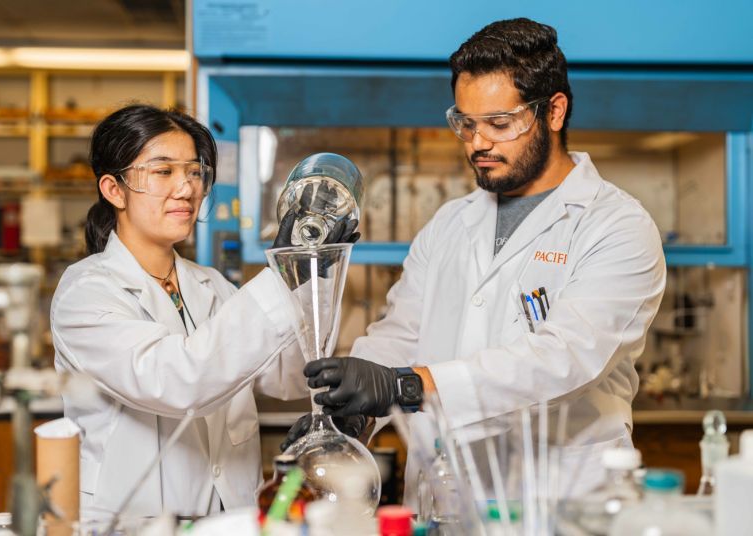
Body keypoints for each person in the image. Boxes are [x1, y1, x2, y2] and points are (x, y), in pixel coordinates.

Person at [284, 18, 666, 502]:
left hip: (560, 503)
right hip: (448, 497)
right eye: (465, 123)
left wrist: (406, 386)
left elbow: (564, 359)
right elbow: (402, 336)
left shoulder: (616, 226)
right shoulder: (450, 223)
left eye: (499, 124)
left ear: (553, 111)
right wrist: (355, 414)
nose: (477, 143)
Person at [51, 105, 357, 520]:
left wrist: (311, 274)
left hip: (229, 517)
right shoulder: (86, 293)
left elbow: (287, 377)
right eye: (163, 172)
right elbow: (177, 380)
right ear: (114, 189)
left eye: (194, 172)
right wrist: (279, 276)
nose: (187, 189)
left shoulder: (210, 284)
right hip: (133, 523)